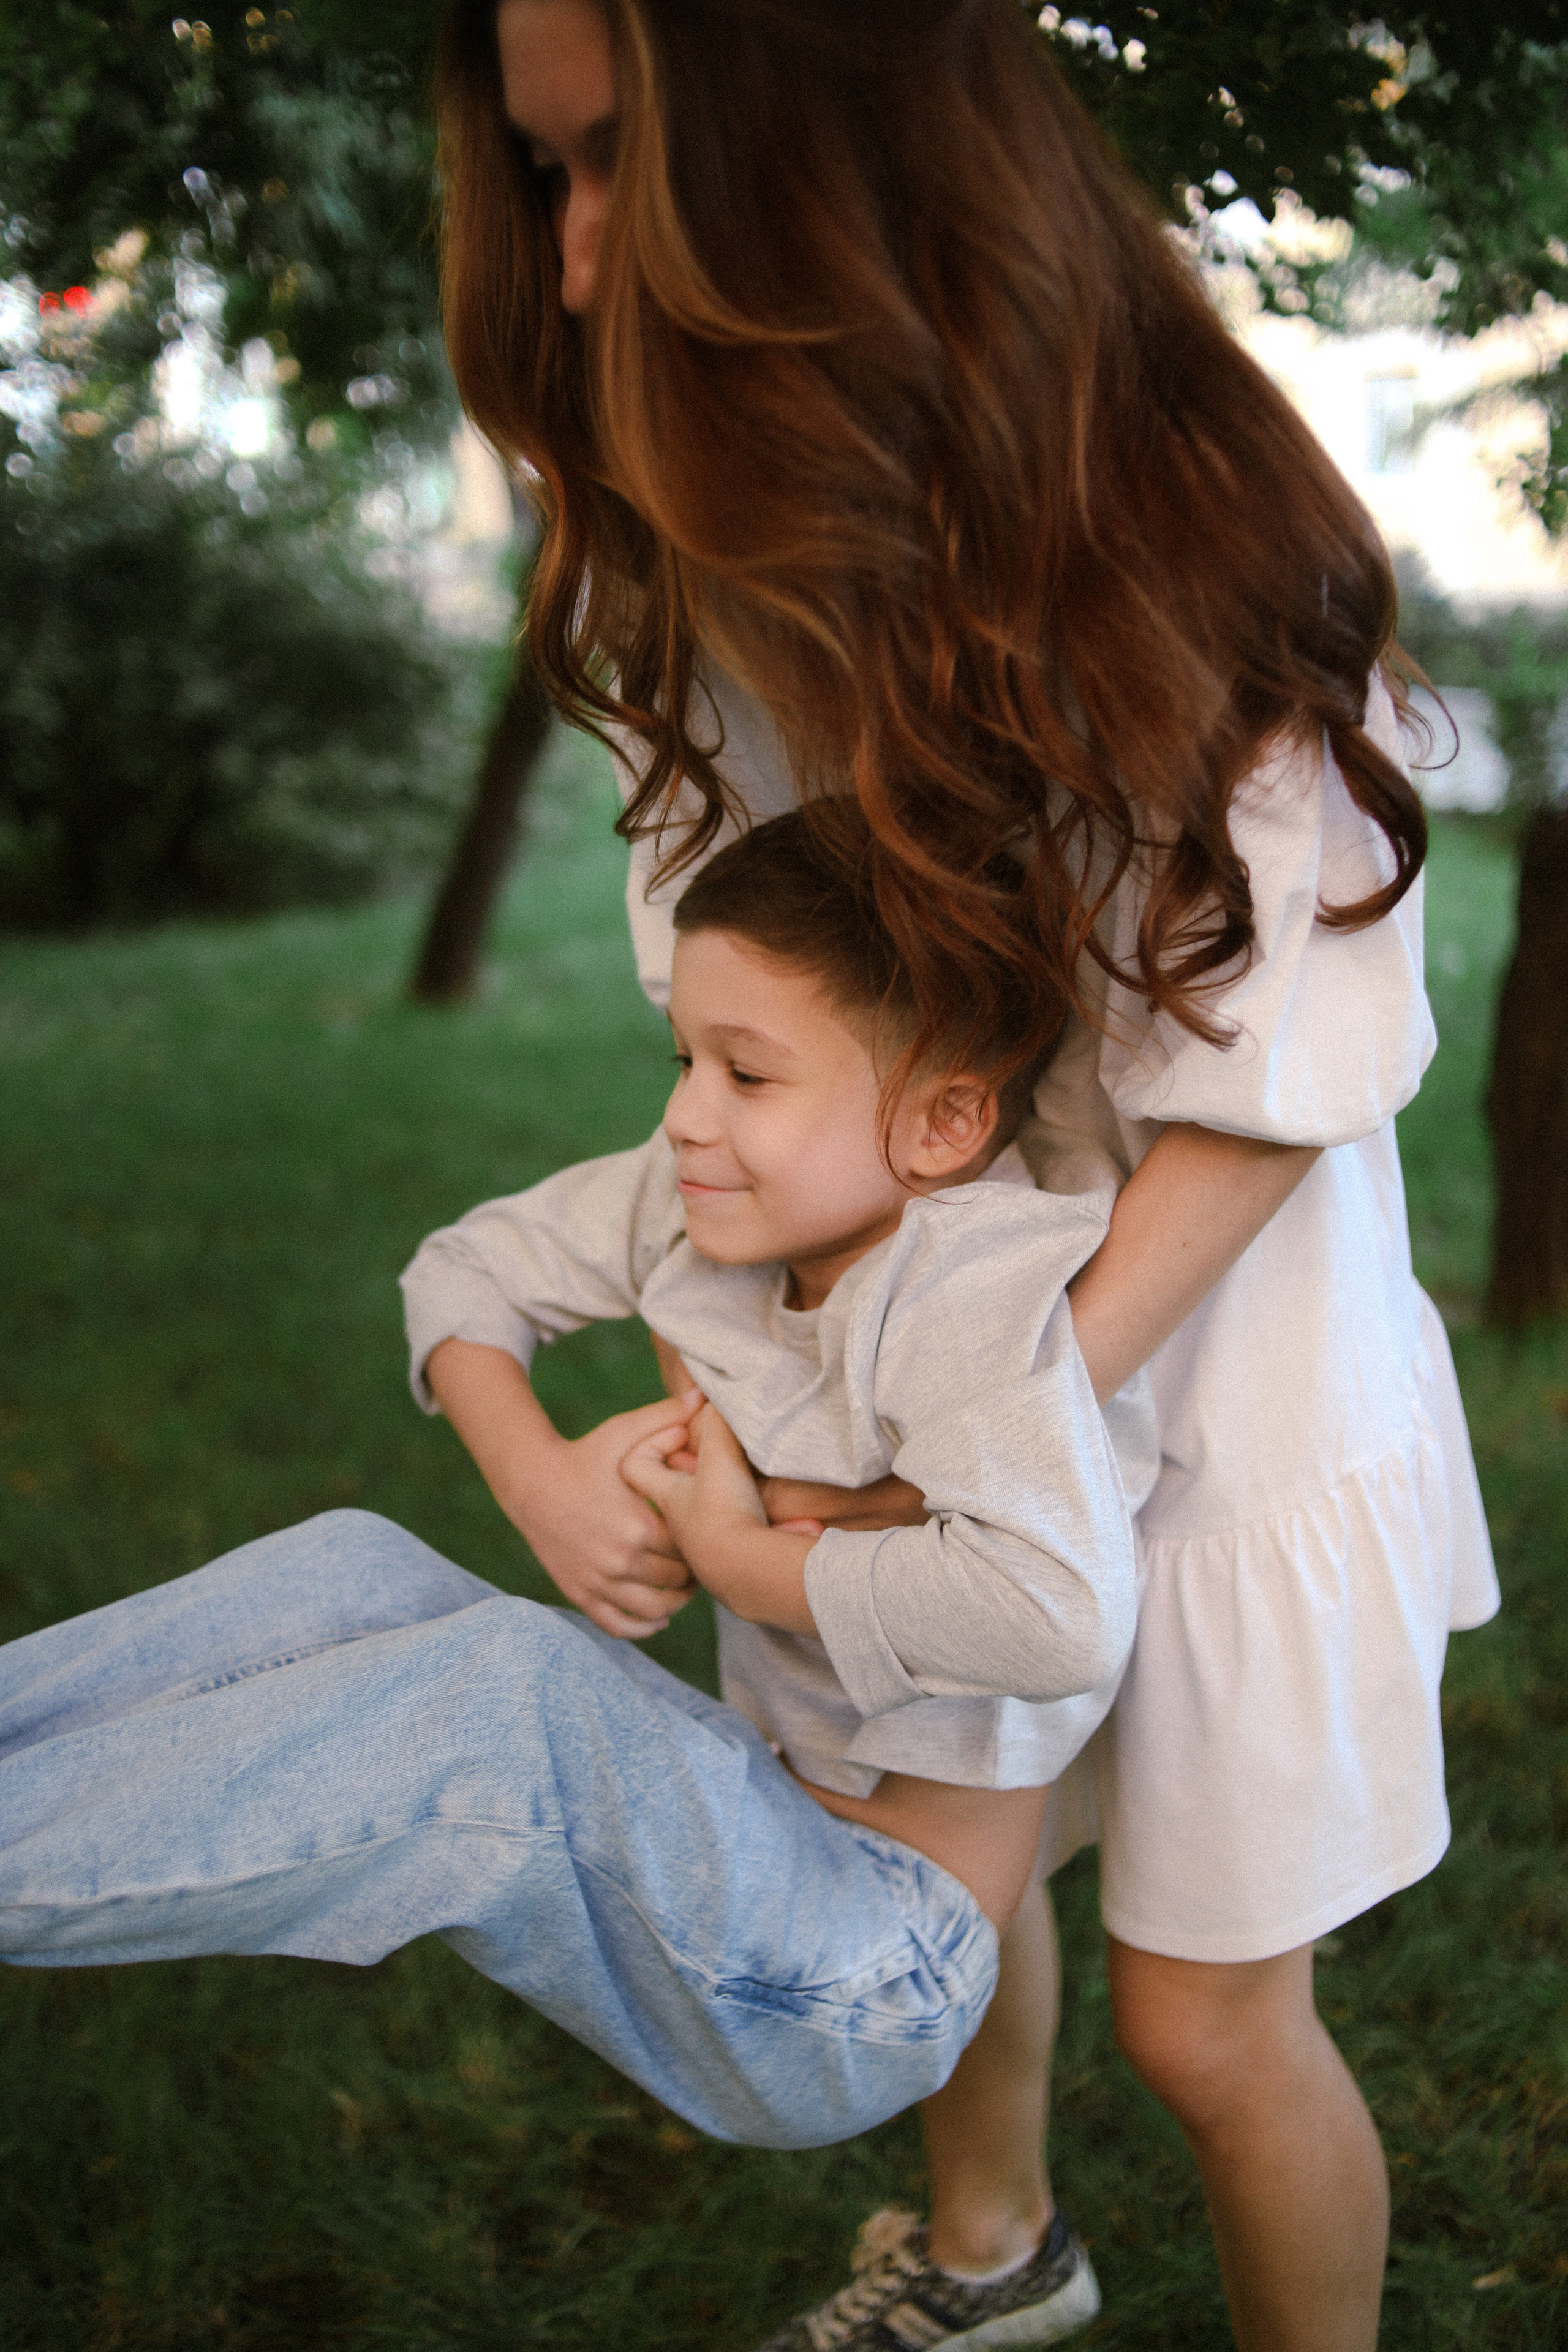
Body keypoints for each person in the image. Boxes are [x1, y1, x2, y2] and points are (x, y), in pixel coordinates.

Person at [434, 2, 1502, 2348]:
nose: (574, 255)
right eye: (543, 177)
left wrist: (984, 1433)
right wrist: (793, 1405)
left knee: (1208, 2024)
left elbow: (1273, 1083)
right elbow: (777, 1038)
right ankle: (993, 2259)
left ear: (828, 152)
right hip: (915, 1370)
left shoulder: (1186, 546)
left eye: (614, 162)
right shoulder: (725, 560)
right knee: (935, 1869)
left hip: (1210, 1375)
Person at [1, 812, 1151, 2344]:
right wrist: (540, 1477)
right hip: (751, 1842)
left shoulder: (972, 1287)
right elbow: (462, 1272)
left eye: (746, 1076)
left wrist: (743, 1562)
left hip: (861, 1974)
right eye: (682, 1058)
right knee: (357, 1561)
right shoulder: (696, 1202)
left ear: (941, 1122)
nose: (684, 1117)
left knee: (515, 1691)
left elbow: (1062, 1612)